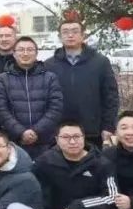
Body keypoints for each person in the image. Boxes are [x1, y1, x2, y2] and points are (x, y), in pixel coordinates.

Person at [44, 19, 119, 149]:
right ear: (60, 37)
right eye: (65, 32)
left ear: (83, 35)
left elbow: (110, 96)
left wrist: (108, 126)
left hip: (92, 131)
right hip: (60, 132)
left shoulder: (100, 62)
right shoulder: (49, 65)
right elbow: (44, 99)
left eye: (75, 31)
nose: (70, 35)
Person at [0, 36, 64, 159]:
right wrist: (21, 132)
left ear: (36, 53)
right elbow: (1, 109)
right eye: (21, 50)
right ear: (14, 54)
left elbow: (55, 108)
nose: (25, 53)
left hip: (46, 141)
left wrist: (36, 131)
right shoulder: (3, 79)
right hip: (15, 141)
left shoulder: (50, 77)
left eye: (30, 50)